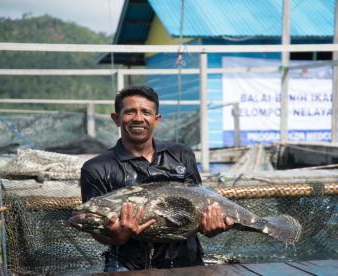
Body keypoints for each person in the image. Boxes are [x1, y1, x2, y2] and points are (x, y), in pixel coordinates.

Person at [80, 86, 233, 271]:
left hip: (187, 262)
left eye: (146, 112)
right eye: (130, 112)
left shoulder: (181, 154)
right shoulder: (96, 168)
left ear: (156, 119)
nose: (138, 118)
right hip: (127, 266)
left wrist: (211, 226)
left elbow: (198, 204)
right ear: (116, 118)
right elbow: (91, 223)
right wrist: (116, 237)